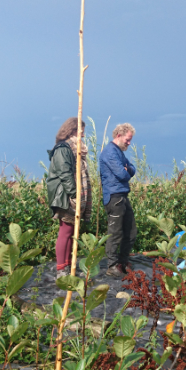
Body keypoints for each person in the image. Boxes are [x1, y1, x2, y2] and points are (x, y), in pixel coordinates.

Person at [46, 118, 92, 279]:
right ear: (72, 130)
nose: (83, 134)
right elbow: (64, 173)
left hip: (69, 194)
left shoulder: (74, 148)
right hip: (64, 196)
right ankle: (61, 268)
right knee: (65, 230)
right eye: (81, 130)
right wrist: (74, 194)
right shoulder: (63, 148)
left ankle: (67, 265)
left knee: (71, 230)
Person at [99, 123, 136, 278]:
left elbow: (132, 168)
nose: (129, 143)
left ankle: (123, 261)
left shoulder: (119, 152)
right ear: (119, 135)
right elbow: (123, 174)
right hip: (114, 197)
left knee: (130, 231)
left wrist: (127, 170)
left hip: (122, 195)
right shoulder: (109, 153)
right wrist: (126, 170)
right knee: (115, 233)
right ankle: (112, 265)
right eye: (127, 139)